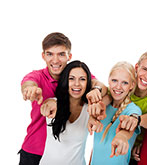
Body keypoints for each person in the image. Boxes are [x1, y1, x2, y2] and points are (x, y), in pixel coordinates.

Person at [19, 32, 106, 165]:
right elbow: (28, 83)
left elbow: (100, 86)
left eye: (61, 54)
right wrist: (30, 89)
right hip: (34, 151)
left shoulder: (76, 74)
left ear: (69, 56)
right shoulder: (37, 76)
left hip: (66, 155)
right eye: (50, 54)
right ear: (43, 56)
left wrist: (96, 90)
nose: (55, 60)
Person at [114, 51, 147, 164]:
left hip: (136, 155)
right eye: (144, 69)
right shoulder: (122, 87)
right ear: (136, 67)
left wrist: (136, 119)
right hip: (112, 147)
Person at [88, 61, 142, 164]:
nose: (118, 87)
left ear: (132, 85)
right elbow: (96, 148)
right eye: (114, 80)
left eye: (125, 83)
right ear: (108, 80)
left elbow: (128, 128)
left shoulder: (133, 110)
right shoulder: (103, 106)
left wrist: (122, 136)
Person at [39, 60, 92, 164]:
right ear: (65, 81)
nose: (77, 84)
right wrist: (46, 107)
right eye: (71, 78)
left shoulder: (89, 109)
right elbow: (47, 105)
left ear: (88, 82)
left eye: (82, 79)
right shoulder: (54, 103)